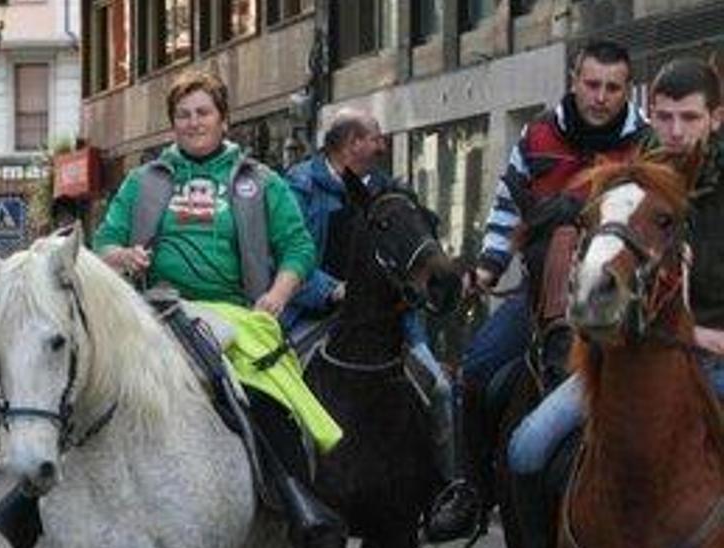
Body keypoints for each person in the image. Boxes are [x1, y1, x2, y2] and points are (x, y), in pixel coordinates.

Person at [91, 70, 343, 548]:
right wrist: (122, 257)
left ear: (224, 119)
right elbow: (103, 242)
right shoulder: (143, 180)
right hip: (152, 311)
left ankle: (298, 503)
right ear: (172, 125)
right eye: (183, 115)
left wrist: (278, 295)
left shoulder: (260, 181)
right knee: (87, 386)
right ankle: (38, 496)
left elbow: (298, 249)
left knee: (266, 400)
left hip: (235, 316)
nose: (192, 122)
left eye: (203, 112)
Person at [423, 41, 650, 543]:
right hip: (541, 288)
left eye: (613, 88)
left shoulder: (646, 141)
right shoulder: (538, 134)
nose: (601, 97)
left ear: (625, 89)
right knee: (478, 371)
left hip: (619, 299)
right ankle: (472, 491)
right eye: (592, 84)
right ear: (574, 80)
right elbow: (507, 211)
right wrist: (485, 270)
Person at [503, 57, 724, 546]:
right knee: (527, 447)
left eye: (689, 118)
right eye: (664, 116)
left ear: (716, 116)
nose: (675, 130)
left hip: (718, 360)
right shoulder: (627, 180)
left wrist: (704, 335)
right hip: (629, 358)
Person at [281, 107, 465, 536]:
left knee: (437, 386)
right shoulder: (297, 188)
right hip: (312, 316)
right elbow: (289, 251)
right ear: (350, 144)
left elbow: (416, 250)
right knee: (282, 390)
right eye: (374, 137)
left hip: (387, 321)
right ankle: (284, 489)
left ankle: (447, 492)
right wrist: (331, 290)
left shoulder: (390, 192)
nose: (381, 145)